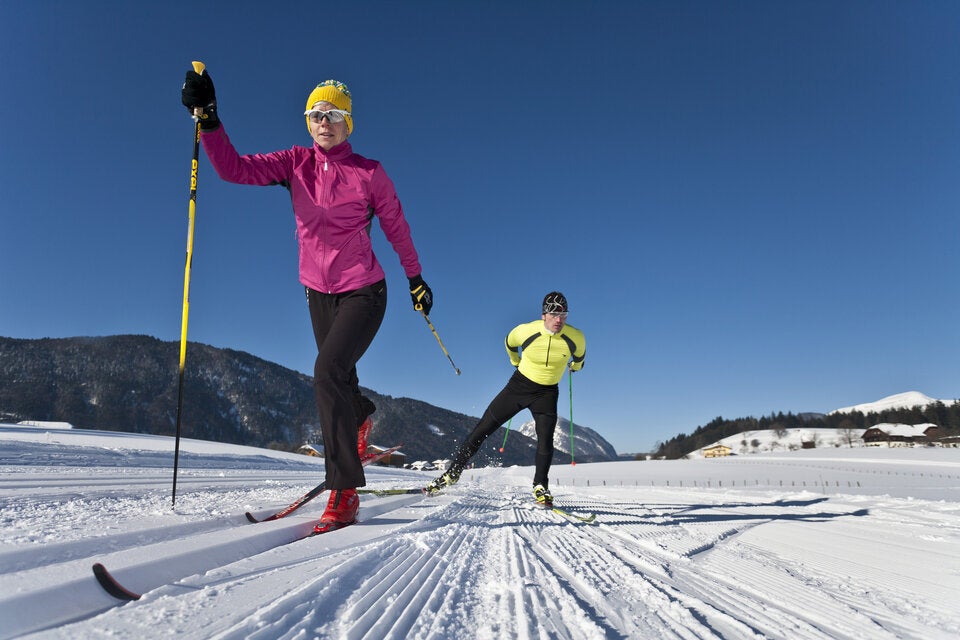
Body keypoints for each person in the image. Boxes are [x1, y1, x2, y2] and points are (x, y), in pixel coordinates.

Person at [181, 69, 433, 532]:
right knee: (340, 376)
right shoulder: (294, 163)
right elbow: (233, 169)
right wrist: (211, 121)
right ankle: (359, 417)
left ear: (348, 123)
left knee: (327, 371)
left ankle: (344, 490)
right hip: (317, 291)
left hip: (364, 290)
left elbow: (396, 226)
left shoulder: (369, 173)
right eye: (316, 114)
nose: (324, 122)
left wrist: (415, 278)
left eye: (334, 115)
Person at [426, 292, 585, 506]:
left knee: (546, 440)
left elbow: (579, 360)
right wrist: (515, 361)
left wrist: (575, 367)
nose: (559, 320)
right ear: (543, 315)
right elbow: (509, 343)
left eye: (563, 315)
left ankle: (540, 486)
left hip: (547, 394)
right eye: (554, 314)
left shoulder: (576, 337)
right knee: (483, 428)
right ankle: (452, 473)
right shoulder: (525, 331)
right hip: (519, 387)